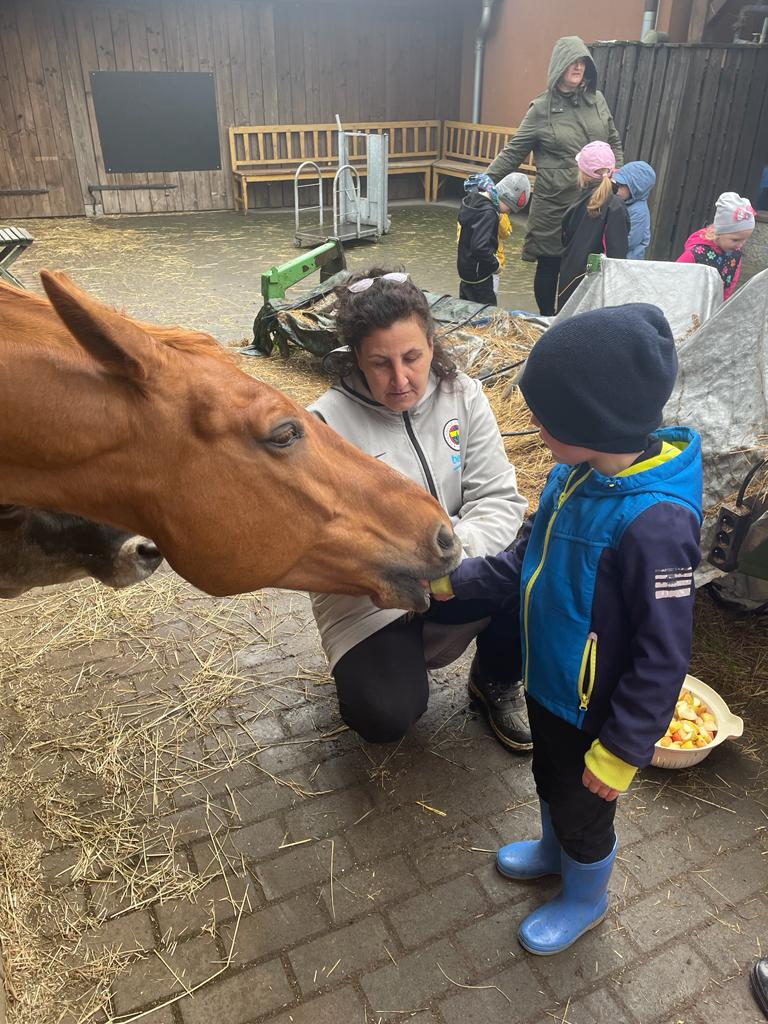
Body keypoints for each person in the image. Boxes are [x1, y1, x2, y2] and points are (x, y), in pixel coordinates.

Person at [432, 304, 703, 954]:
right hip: (551, 686)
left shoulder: (656, 524)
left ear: (595, 421)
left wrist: (624, 750)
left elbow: (664, 656)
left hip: (597, 715)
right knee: (551, 780)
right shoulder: (574, 477)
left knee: (586, 811)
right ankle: (554, 852)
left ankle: (586, 898)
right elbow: (521, 561)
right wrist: (451, 583)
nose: (534, 423)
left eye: (547, 415)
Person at [309, 270, 531, 750]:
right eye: (380, 363)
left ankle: (495, 678)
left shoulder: (463, 395)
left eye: (412, 357)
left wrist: (452, 563)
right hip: (372, 601)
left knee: (534, 561)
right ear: (355, 357)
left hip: (457, 570)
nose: (401, 379)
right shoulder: (324, 424)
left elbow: (497, 497)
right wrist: (408, 569)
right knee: (384, 714)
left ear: (432, 343)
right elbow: (326, 543)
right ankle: (384, 668)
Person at [484, 36, 623, 316]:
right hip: (554, 201)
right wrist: (484, 182)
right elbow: (514, 152)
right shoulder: (542, 108)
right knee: (550, 263)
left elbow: (613, 141)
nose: (578, 67)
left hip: (593, 201)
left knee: (585, 263)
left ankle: (574, 319)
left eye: (583, 62)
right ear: (559, 65)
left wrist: (617, 175)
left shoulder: (597, 101)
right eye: (572, 62)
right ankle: (548, 319)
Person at [556, 141, 630, 311]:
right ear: (612, 171)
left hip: (570, 279)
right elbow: (617, 255)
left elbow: (565, 239)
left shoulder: (577, 202)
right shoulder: (616, 206)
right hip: (598, 287)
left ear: (582, 173)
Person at [457, 172, 531, 305]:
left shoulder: (472, 201)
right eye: (510, 209)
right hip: (480, 277)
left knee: (466, 306)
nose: (507, 212)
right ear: (505, 198)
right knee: (486, 310)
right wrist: (495, 265)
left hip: (466, 271)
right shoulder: (489, 214)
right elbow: (480, 247)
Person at [676, 191, 755, 299]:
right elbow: (676, 274)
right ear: (718, 233)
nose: (740, 245)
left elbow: (731, 281)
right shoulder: (696, 254)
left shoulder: (735, 255)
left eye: (744, 240)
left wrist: (723, 302)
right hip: (690, 301)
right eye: (735, 240)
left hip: (716, 303)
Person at [613, 160, 656, 260]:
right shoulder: (624, 203)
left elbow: (630, 241)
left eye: (621, 186)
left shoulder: (639, 212)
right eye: (617, 184)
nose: (617, 190)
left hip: (628, 261)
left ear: (636, 188)